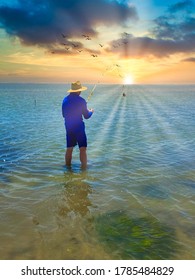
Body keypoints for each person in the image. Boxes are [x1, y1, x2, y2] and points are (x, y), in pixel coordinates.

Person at [62, 81, 94, 169]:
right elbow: (87, 116)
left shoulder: (65, 100)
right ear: (78, 91)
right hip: (79, 127)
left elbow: (64, 114)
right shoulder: (82, 101)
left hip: (68, 127)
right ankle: (84, 170)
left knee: (69, 148)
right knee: (82, 149)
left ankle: (67, 169)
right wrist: (91, 111)